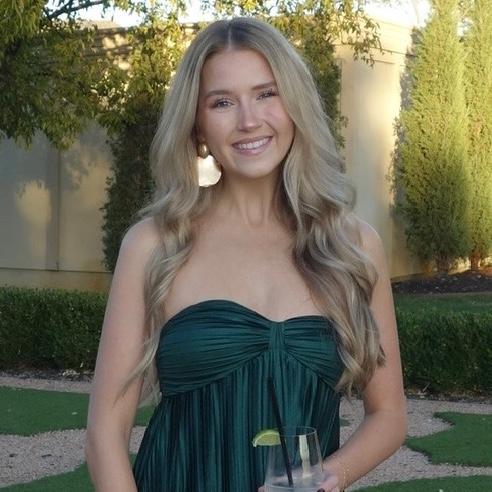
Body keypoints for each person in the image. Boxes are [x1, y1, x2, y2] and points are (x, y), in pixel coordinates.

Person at [85, 16, 407, 492]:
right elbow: (104, 434)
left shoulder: (352, 247)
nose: (249, 120)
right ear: (197, 125)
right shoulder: (155, 244)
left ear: (294, 106)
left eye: (266, 93)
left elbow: (389, 414)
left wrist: (326, 478)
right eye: (222, 102)